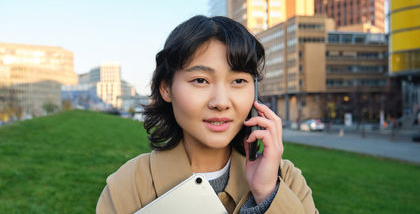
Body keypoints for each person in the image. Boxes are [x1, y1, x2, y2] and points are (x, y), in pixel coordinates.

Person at [96, 16, 317, 213]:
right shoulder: (128, 186)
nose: (221, 102)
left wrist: (267, 195)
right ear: (166, 88)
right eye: (200, 80)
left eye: (238, 81)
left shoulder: (286, 180)